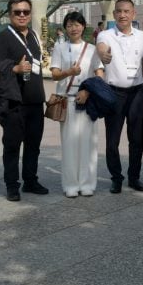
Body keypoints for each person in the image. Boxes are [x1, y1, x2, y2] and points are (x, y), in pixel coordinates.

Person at [0, 0, 48, 201]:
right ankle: (12, 185)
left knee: (33, 145)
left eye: (25, 11)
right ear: (10, 14)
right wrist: (14, 68)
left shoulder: (34, 35)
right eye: (17, 12)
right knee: (12, 145)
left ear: (30, 14)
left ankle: (30, 180)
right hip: (14, 102)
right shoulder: (2, 37)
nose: (22, 15)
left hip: (34, 100)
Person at [96, 0, 143, 193]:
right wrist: (104, 55)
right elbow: (101, 48)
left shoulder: (142, 36)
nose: (122, 15)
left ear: (133, 14)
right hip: (114, 94)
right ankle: (116, 177)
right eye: (119, 11)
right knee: (113, 140)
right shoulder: (106, 35)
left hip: (137, 93)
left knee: (136, 139)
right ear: (114, 14)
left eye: (127, 11)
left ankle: (134, 177)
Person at [49, 11, 101, 197]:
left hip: (87, 101)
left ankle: (87, 183)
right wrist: (69, 72)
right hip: (67, 100)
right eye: (70, 25)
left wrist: (88, 91)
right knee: (70, 144)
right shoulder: (60, 48)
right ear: (65, 28)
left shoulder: (93, 49)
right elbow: (54, 73)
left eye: (77, 24)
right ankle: (70, 184)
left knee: (88, 143)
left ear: (83, 26)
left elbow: (99, 72)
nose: (74, 28)